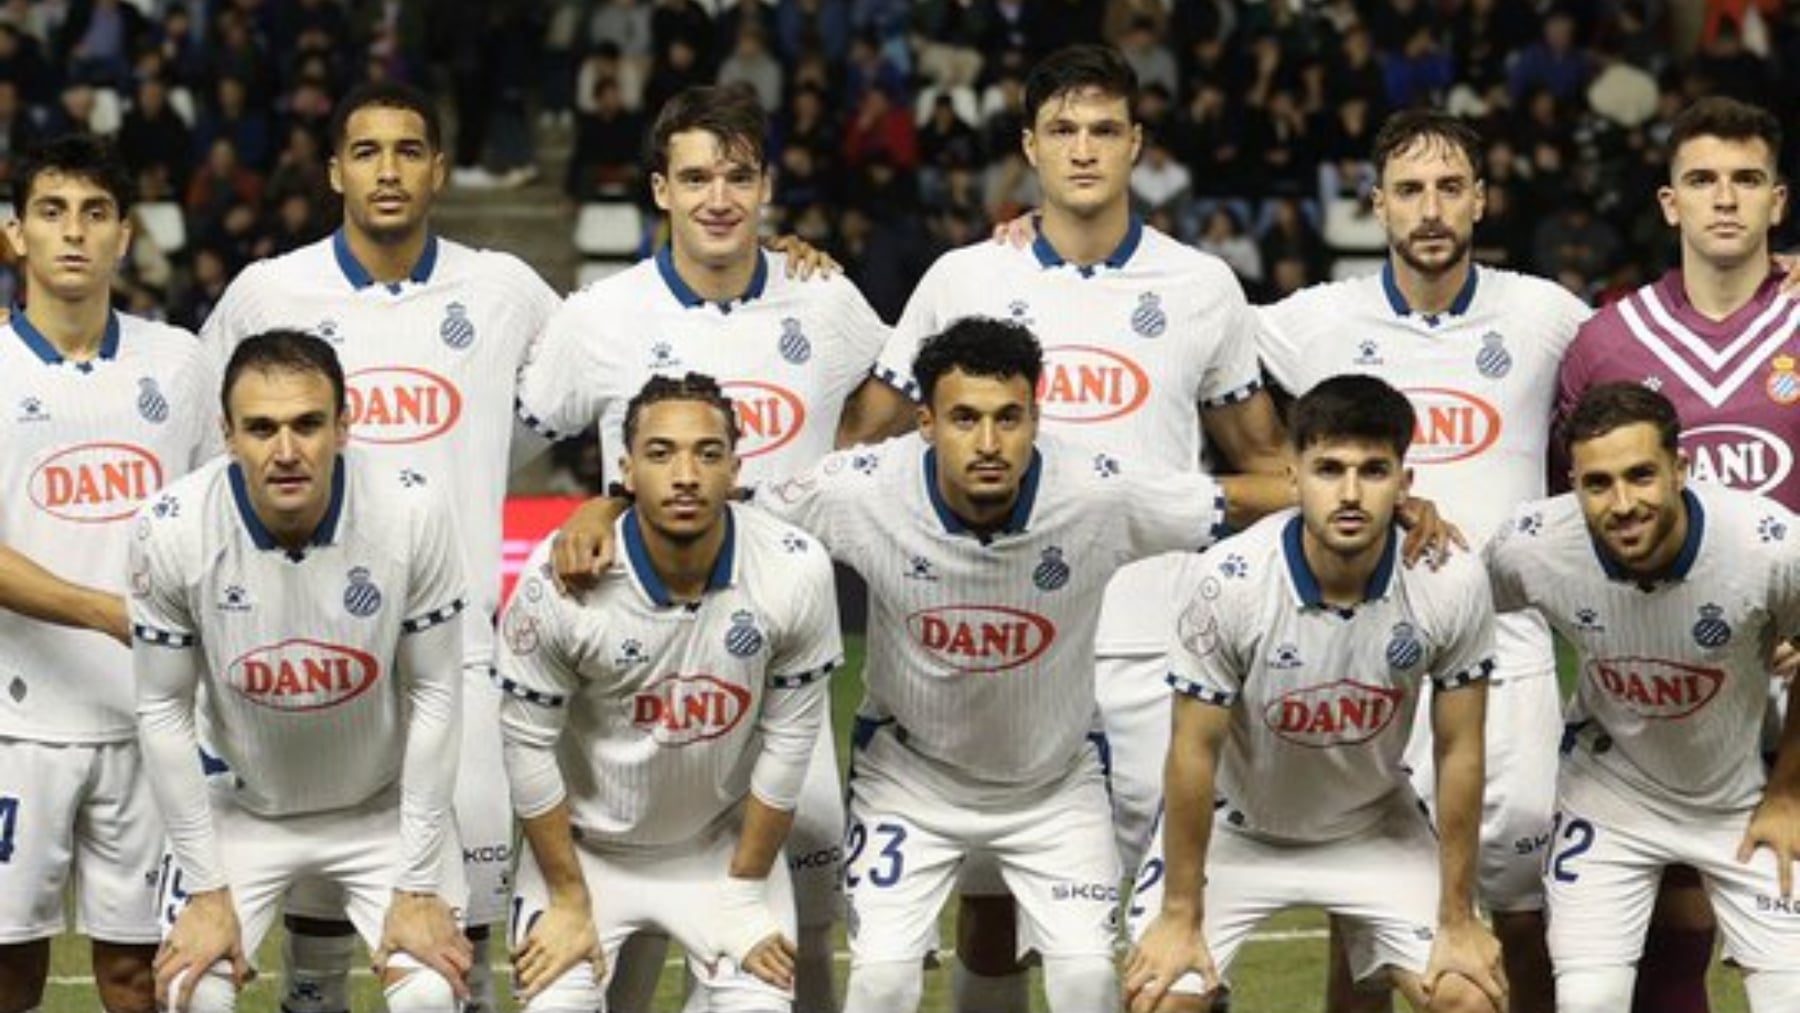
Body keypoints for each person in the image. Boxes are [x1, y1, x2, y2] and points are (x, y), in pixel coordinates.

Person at [558, 316, 1292, 1012]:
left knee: (1085, 979)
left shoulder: (1099, 490)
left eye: (1009, 417)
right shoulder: (860, 487)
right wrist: (605, 506)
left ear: (1037, 419)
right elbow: (721, 499)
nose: (989, 441)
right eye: (965, 418)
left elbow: (1237, 499)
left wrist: (1389, 505)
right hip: (907, 779)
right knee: (878, 982)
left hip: (1055, 783)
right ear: (926, 424)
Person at [846, 45, 1290, 1010]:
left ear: (1136, 144)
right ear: (1028, 147)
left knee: (1159, 945)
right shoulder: (963, 277)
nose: (1083, 150)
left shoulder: (1202, 285)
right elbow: (863, 440)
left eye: (1103, 131)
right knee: (993, 913)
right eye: (1062, 130)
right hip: (994, 651)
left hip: (1147, 650)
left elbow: (1264, 462)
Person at [515, 81, 891, 1013]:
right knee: (627, 951)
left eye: (737, 176)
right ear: (659, 191)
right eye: (694, 178)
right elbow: (512, 438)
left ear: (766, 185)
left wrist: (838, 478)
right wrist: (594, 507)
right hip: (640, 676)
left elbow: (900, 397)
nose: (717, 198)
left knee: (794, 939)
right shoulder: (602, 315)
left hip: (781, 667)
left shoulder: (826, 297)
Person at [197, 79, 561, 1013]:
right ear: (333, 171)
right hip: (306, 651)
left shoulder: (507, 288)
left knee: (456, 935)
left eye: (408, 150)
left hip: (462, 652)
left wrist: (598, 507)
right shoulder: (268, 291)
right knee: (318, 925)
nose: (388, 170)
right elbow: (202, 449)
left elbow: (614, 396)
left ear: (439, 169)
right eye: (366, 151)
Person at [1257, 108, 1593, 1013]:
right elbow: (1182, 335)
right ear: (1377, 206)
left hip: (1509, 649)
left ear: (1481, 201)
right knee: (1360, 910)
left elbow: (1650, 362)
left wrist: (1774, 279)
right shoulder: (1313, 321)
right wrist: (1027, 236)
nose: (1431, 208)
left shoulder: (1548, 314)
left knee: (1522, 912)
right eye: (1409, 190)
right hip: (1365, 653)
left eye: (1451, 188)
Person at [1123, 374, 1504, 1013]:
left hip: (1372, 825)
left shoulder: (1449, 579)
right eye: (1329, 469)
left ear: (1406, 484)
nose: (1350, 493)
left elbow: (1461, 749)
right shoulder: (1228, 583)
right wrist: (1180, 916)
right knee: (1162, 999)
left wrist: (1459, 917)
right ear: (1293, 478)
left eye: (1374, 471)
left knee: (1469, 996)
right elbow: (1191, 753)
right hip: (1233, 831)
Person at [129, 330, 469, 1013]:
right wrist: (203, 889)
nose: (286, 451)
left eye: (308, 424)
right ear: (227, 434)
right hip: (243, 809)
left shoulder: (412, 508)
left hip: (381, 806)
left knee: (432, 993)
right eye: (260, 428)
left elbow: (436, 691)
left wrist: (416, 882)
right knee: (189, 992)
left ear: (345, 425)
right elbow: (162, 709)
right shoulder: (170, 526)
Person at [1553, 95, 1799, 1013]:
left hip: (1794, 659)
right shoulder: (1605, 342)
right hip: (1667, 664)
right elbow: (1569, 511)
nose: (1724, 199)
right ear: (1669, 203)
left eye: (1746, 180)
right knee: (1672, 913)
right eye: (1703, 180)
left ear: (1779, 200)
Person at [499, 372, 841, 1012]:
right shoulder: (559, 579)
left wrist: (742, 894)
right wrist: (569, 898)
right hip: (583, 857)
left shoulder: (793, 569)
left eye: (707, 454)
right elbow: (525, 749)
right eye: (661, 454)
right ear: (625, 471)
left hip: (721, 852)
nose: (685, 474)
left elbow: (791, 744)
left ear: (736, 469)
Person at [1487, 382, 1800, 1012]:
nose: (1623, 503)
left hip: (1743, 800)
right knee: (1588, 1001)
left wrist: (1789, 794)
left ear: (1680, 469)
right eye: (1597, 484)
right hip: (1610, 797)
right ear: (1572, 482)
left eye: (1641, 476)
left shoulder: (1769, 545)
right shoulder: (1530, 545)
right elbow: (1448, 608)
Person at [0, 133, 212, 1013]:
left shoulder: (180, 361)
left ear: (125, 235)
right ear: (14, 233)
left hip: (150, 722)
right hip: (15, 726)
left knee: (141, 974)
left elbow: (214, 520)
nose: (73, 233)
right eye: (51, 212)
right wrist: (103, 609)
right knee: (8, 970)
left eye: (95, 213)